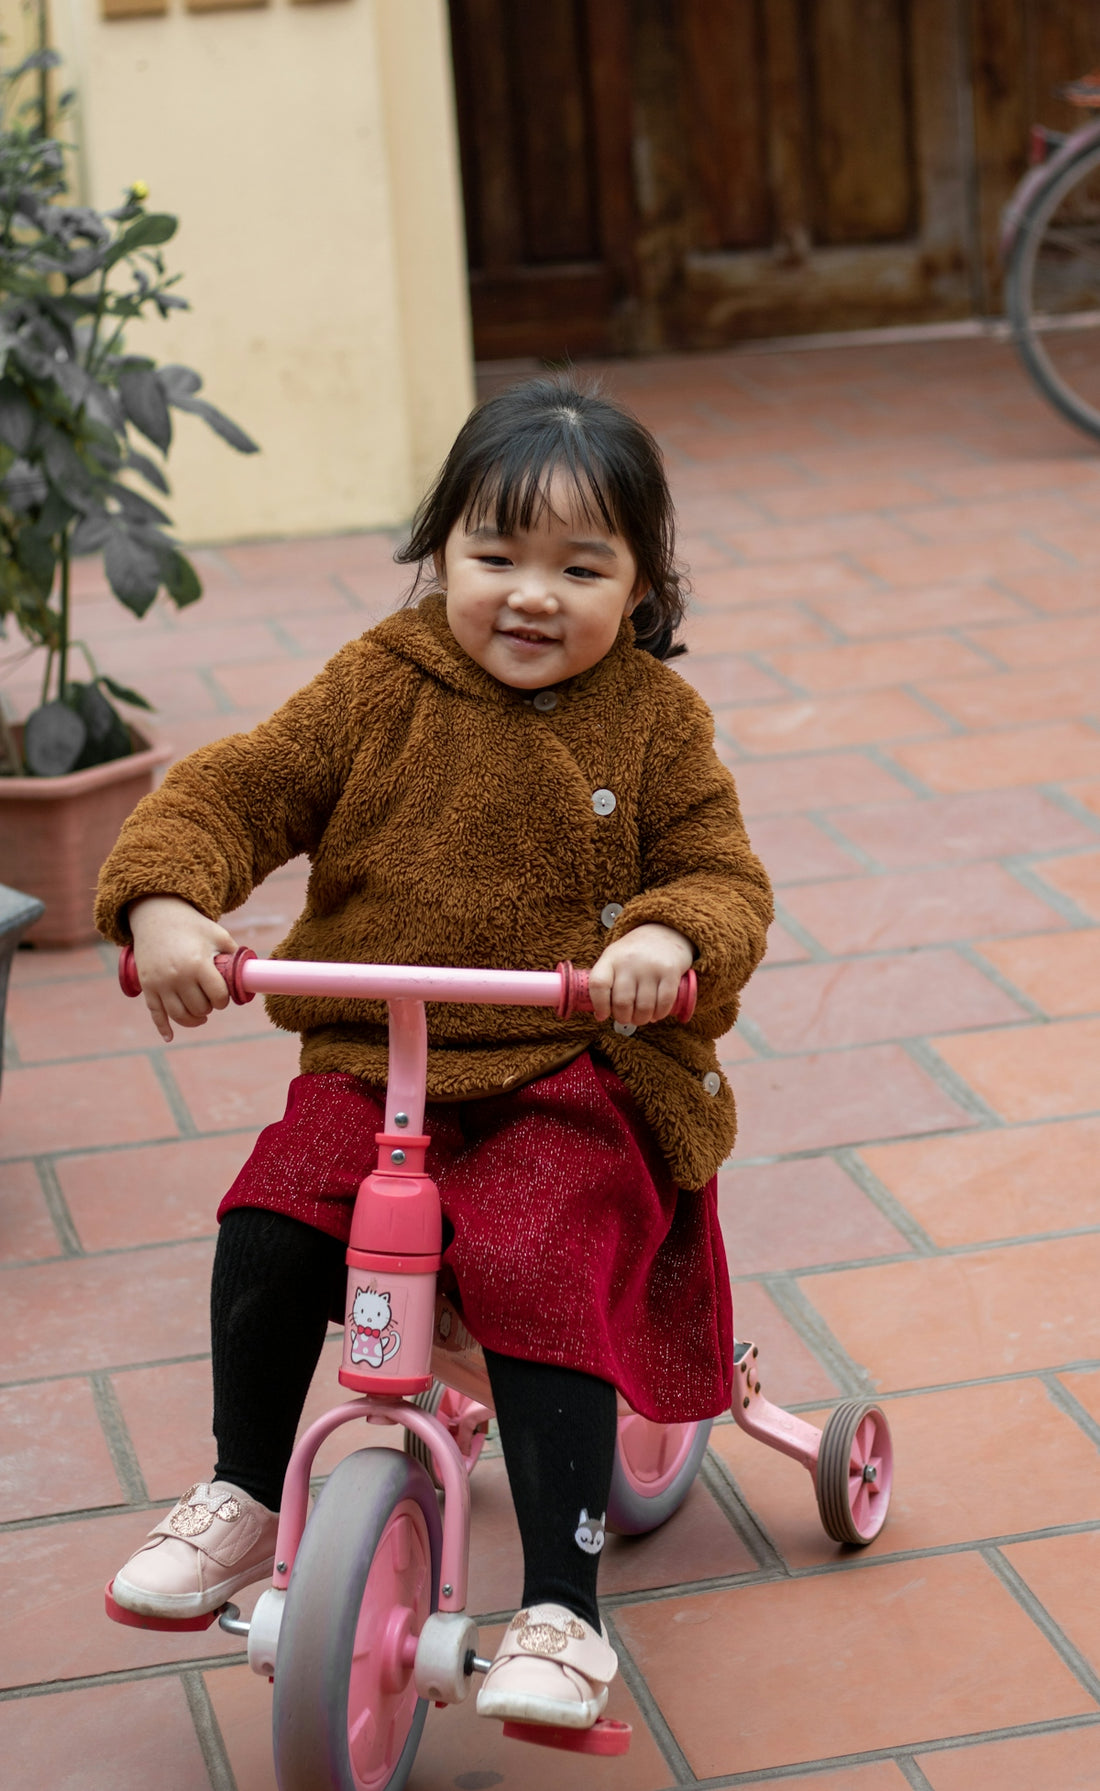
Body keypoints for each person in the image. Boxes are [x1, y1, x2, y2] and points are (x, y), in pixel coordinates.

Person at [94, 376, 773, 1731]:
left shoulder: (653, 722)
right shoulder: (379, 683)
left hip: (570, 1067)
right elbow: (242, 788)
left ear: (640, 590)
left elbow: (720, 874)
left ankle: (566, 1610)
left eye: (580, 567)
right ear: (439, 550)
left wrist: (665, 939)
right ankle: (240, 1485)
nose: (532, 594)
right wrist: (170, 895)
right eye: (495, 555)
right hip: (379, 1057)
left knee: (534, 1245)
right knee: (277, 1211)